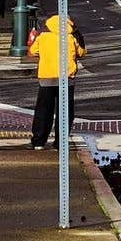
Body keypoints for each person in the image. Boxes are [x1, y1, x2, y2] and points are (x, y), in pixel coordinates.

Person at [27, 14, 86, 149]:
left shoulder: (43, 37)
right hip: (66, 78)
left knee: (43, 110)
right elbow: (82, 53)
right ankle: (60, 142)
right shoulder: (71, 37)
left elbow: (32, 51)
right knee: (65, 111)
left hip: (47, 77)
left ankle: (38, 141)